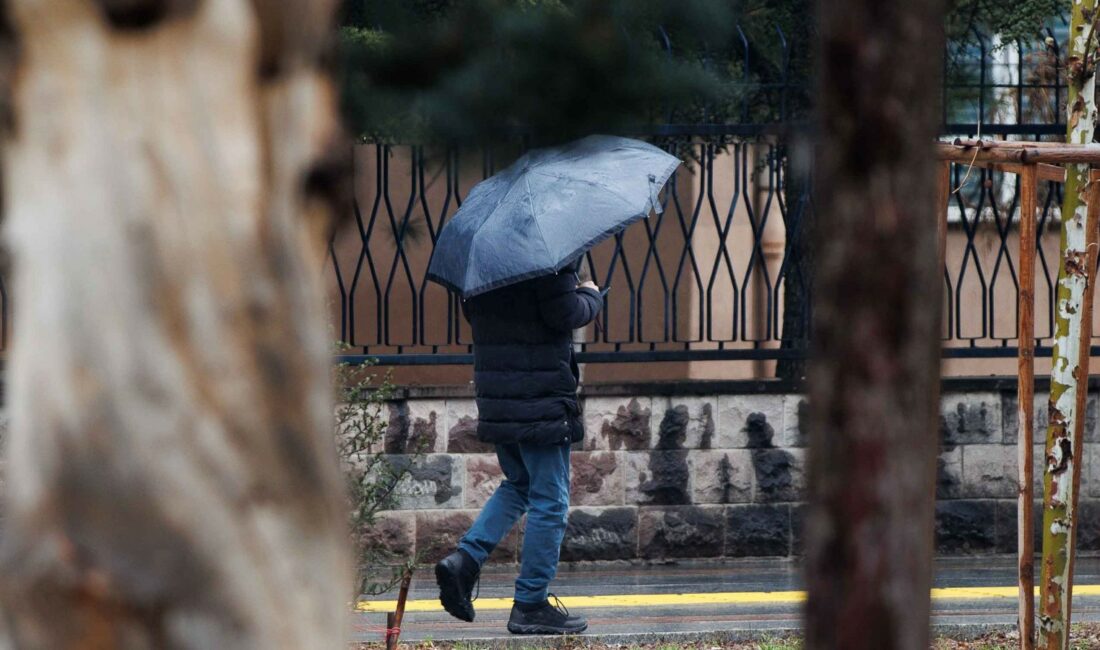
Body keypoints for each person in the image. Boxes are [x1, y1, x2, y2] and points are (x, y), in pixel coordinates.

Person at [435, 256, 601, 635]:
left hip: (499, 394)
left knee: (521, 484)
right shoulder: (547, 256)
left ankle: (465, 561)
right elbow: (563, 312)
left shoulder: (483, 258)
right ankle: (530, 603)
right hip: (539, 396)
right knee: (551, 499)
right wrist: (590, 296)